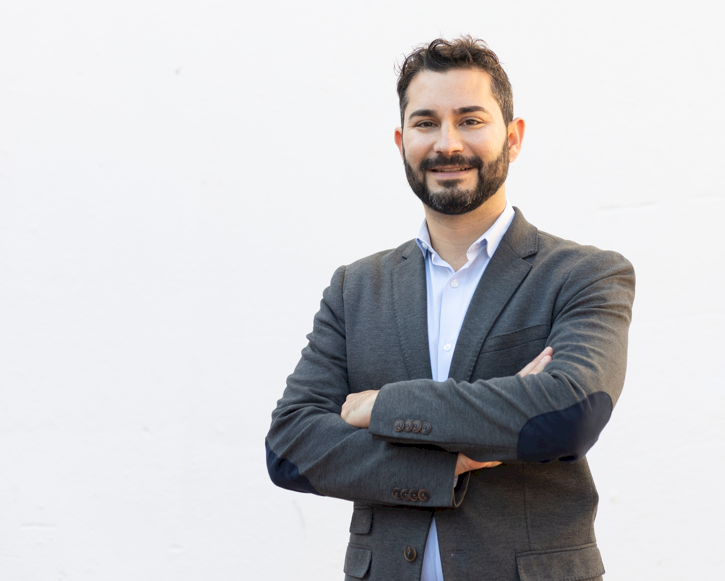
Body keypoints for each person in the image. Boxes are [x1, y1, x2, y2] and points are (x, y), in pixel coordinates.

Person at [266, 37, 635, 581]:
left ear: (513, 137)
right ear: (401, 142)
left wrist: (382, 406)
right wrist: (452, 461)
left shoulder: (584, 275)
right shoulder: (355, 288)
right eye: (425, 123)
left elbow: (568, 416)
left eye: (470, 120)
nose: (447, 143)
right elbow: (292, 446)